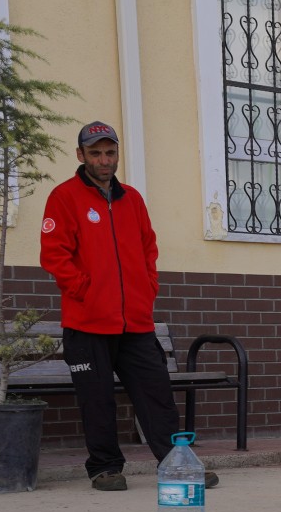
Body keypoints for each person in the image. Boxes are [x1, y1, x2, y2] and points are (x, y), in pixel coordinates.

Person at [39, 122, 217, 492]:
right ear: (80, 156)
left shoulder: (132, 198)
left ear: (117, 154)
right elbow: (54, 255)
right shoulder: (65, 197)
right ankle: (104, 468)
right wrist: (84, 290)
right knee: (97, 400)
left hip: (135, 321)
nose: (104, 160)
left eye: (110, 152)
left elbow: (149, 248)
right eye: (95, 153)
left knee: (156, 394)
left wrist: (147, 289)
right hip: (87, 322)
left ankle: (176, 463)